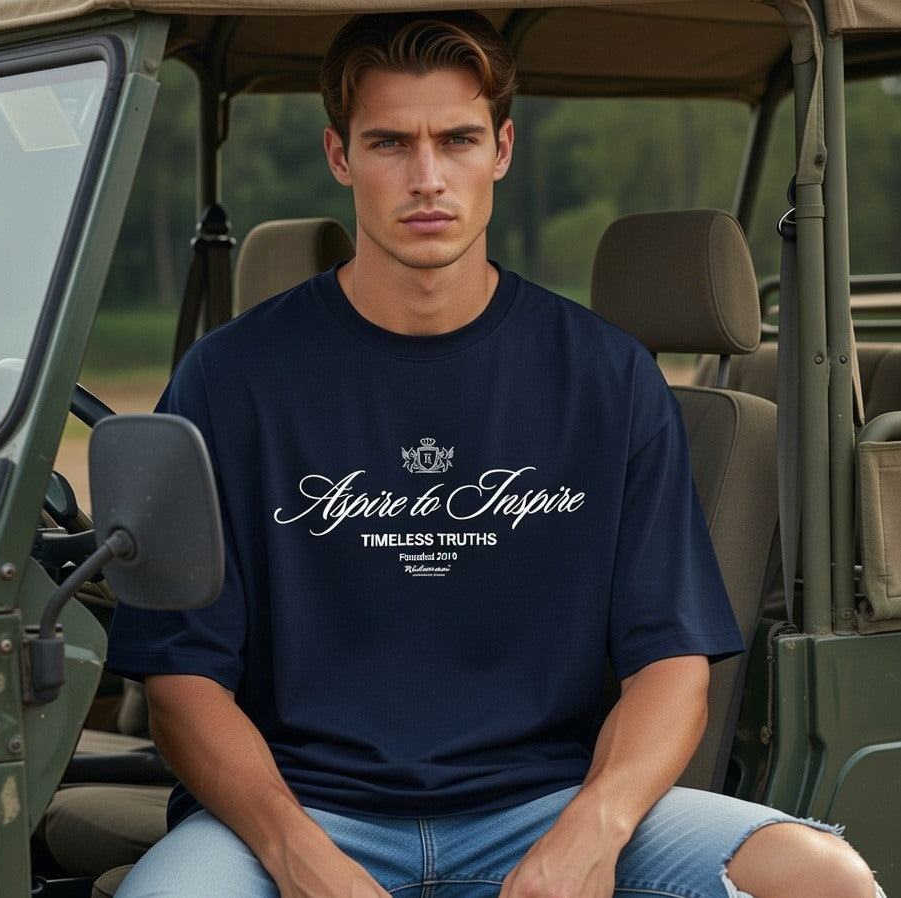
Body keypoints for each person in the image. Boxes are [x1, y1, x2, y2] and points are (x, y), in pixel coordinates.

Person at [106, 11, 880, 898]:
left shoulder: (607, 378)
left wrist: (592, 829)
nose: (427, 177)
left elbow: (669, 667)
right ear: (338, 155)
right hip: (295, 812)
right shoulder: (229, 379)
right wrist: (297, 855)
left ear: (501, 149)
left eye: (457, 139)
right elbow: (180, 682)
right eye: (389, 142)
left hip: (543, 804)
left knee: (823, 877)